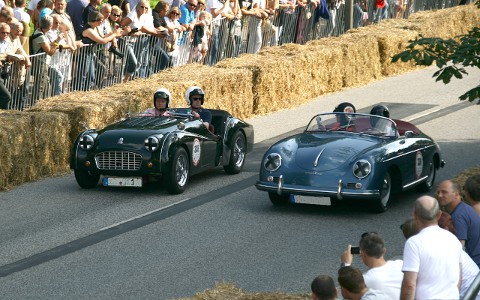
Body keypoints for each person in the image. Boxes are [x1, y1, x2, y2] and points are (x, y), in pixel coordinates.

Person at [401, 212, 480, 300]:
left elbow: (412, 285)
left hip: (469, 294)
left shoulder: (430, 252)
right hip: (472, 289)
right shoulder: (444, 240)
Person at [400, 195, 462, 300]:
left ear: (414, 215)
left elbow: (409, 285)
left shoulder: (414, 243)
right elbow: (459, 278)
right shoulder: (453, 239)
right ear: (439, 214)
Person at [340, 232, 403, 299]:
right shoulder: (400, 264)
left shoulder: (365, 279)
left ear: (362, 254)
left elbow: (346, 293)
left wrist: (345, 264)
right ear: (384, 251)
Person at [436, 179, 480, 267]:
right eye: (438, 192)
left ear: (456, 194)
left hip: (474, 266)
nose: (440, 195)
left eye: (444, 192)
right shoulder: (465, 208)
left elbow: (460, 249)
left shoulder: (458, 216)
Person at [0, 22, 12, 109]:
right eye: (3, 32)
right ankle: (5, 116)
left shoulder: (7, 41)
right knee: (6, 96)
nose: (5, 34)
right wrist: (5, 55)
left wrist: (3, 55)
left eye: (7, 33)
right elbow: (6, 55)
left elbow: (9, 54)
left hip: (3, 71)